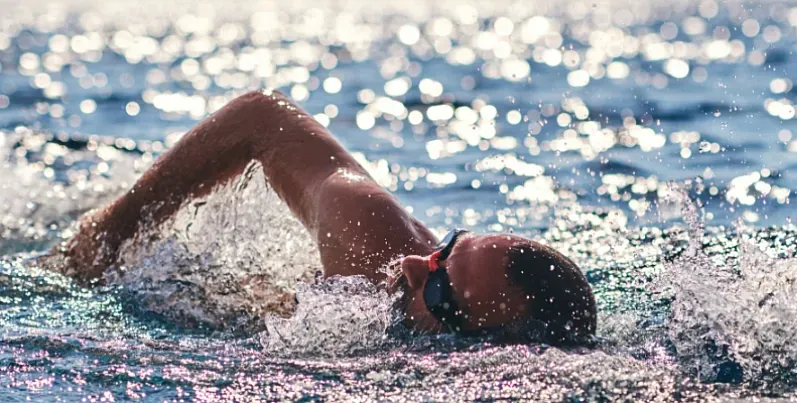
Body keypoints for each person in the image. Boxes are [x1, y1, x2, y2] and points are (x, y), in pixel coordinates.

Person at [46, 90, 596, 345]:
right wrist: (109, 234)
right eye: (446, 248)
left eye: (440, 294)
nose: (410, 264)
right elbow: (260, 116)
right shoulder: (369, 234)